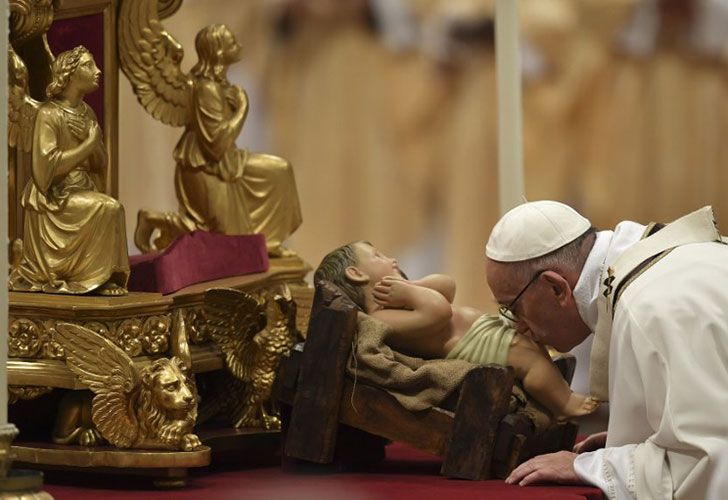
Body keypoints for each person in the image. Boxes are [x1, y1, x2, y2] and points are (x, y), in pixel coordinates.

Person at [484, 200, 728, 499]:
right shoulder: (670, 266)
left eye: (512, 306)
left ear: (556, 288)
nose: (517, 327)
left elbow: (706, 466)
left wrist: (597, 467)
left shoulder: (649, 308)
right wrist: (638, 439)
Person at [314, 241, 598, 419]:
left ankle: (555, 394)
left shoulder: (401, 296)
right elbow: (438, 312)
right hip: (471, 346)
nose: (391, 259)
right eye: (377, 256)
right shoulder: (381, 318)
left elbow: (447, 286)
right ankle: (563, 402)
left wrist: (410, 287)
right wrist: (411, 294)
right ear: (356, 273)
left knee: (533, 347)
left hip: (483, 331)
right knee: (531, 361)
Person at [134, 24, 302, 256]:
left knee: (280, 171)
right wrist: (242, 109)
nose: (239, 46)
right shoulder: (207, 90)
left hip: (224, 163)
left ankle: (269, 240)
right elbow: (216, 144)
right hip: (203, 168)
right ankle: (155, 220)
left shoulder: (219, 85)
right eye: (232, 43)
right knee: (224, 238)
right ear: (220, 53)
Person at [9, 46, 129, 295]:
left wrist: (92, 143)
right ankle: (96, 278)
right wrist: (87, 145)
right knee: (110, 208)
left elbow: (100, 164)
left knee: (110, 207)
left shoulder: (88, 113)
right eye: (88, 66)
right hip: (55, 198)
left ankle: (103, 277)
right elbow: (44, 173)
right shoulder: (48, 114)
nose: (97, 71)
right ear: (70, 75)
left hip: (81, 190)